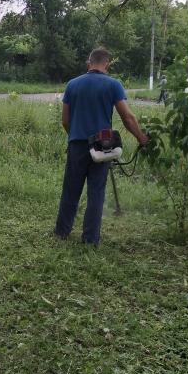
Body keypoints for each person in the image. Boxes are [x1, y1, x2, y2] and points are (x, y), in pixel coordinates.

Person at [54, 48, 148, 245]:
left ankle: (62, 232)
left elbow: (65, 120)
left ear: (89, 63)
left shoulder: (72, 84)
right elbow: (128, 118)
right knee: (96, 192)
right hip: (101, 146)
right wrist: (141, 138)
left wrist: (75, 136)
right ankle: (90, 239)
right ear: (107, 64)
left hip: (77, 144)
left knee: (70, 190)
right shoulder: (113, 85)